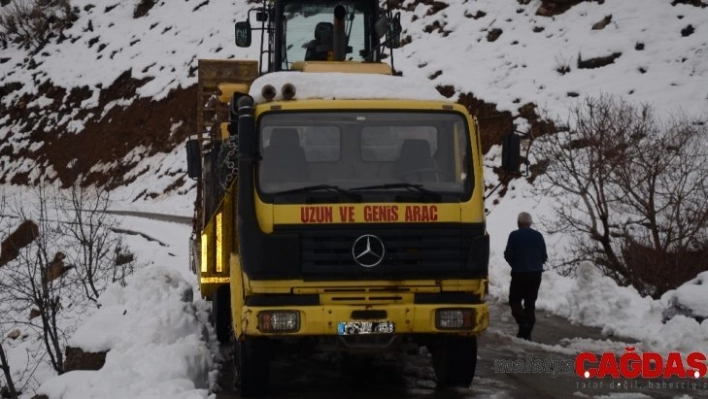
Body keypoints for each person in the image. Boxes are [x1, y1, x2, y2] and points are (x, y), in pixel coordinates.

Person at [504, 212, 547, 341]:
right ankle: (526, 333)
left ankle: (523, 324)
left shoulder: (514, 235)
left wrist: (515, 264)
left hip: (519, 274)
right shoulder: (538, 236)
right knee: (530, 304)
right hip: (536, 274)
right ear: (530, 223)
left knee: (515, 300)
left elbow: (508, 254)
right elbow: (544, 256)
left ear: (518, 223)